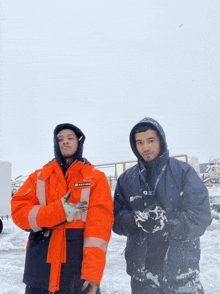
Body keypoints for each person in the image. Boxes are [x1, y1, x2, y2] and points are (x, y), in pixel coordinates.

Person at [11, 123, 114, 294]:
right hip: (39, 274)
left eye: (70, 138)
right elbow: (18, 213)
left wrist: (92, 274)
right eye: (60, 139)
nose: (65, 142)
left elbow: (98, 232)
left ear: (79, 142)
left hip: (76, 275)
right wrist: (58, 212)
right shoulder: (39, 177)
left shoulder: (95, 178)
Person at [113, 117, 212, 294]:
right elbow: (116, 219)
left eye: (151, 141)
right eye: (140, 142)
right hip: (143, 276)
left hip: (181, 271)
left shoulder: (183, 172)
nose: (145, 148)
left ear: (161, 141)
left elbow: (201, 215)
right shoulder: (127, 179)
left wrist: (168, 224)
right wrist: (135, 220)